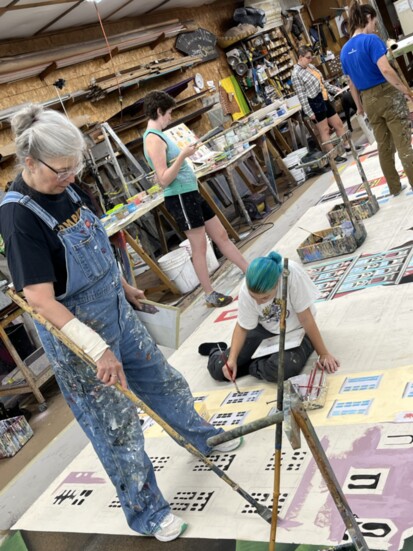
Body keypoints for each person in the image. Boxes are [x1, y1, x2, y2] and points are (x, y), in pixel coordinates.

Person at [0, 105, 242, 542]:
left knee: (163, 381)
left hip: (117, 311)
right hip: (79, 339)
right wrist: (97, 349)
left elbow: (97, 245)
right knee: (117, 426)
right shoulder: (19, 217)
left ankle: (200, 437)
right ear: (31, 162)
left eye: (76, 167)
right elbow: (39, 299)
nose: (71, 177)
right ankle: (147, 513)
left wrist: (124, 288)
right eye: (62, 170)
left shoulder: (71, 187)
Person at [143, 90, 249, 308]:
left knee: (221, 234)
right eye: (169, 113)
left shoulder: (160, 136)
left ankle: (250, 271)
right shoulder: (153, 139)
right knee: (199, 246)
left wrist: (185, 153)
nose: (170, 117)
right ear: (159, 111)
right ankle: (209, 294)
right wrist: (183, 155)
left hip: (190, 191)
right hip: (180, 196)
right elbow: (163, 179)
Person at [204, 252, 339, 383]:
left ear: (277, 283)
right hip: (265, 330)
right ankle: (217, 351)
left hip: (298, 330)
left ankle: (255, 364)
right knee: (219, 369)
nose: (258, 302)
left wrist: (323, 353)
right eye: (254, 297)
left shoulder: (290, 275)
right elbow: (243, 327)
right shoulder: (247, 288)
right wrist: (232, 359)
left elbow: (306, 318)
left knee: (283, 368)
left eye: (264, 298)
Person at [340, 1, 413, 197]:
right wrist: (405, 89)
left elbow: (351, 84)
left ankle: (394, 188)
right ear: (367, 19)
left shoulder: (344, 50)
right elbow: (386, 69)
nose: (374, 26)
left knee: (384, 146)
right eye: (373, 21)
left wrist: (359, 107)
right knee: (403, 142)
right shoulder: (371, 41)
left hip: (367, 100)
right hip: (387, 94)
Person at [291, 46, 354, 164]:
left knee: (338, 124)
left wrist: (336, 89)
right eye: (308, 58)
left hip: (324, 98)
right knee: (324, 130)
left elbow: (323, 83)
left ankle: (348, 147)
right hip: (314, 103)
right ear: (300, 57)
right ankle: (333, 157)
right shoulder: (296, 74)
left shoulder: (311, 67)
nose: (310, 60)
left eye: (311, 57)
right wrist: (309, 112)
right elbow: (301, 95)